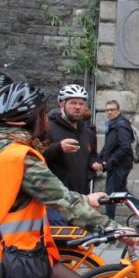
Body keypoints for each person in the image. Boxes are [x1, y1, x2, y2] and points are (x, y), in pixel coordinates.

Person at [0, 81, 138, 278]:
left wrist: (84, 198)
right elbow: (63, 202)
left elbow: (47, 195)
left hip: (25, 256)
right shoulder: (19, 156)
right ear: (34, 117)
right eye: (43, 113)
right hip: (10, 266)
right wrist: (115, 228)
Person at [43, 84, 102, 225]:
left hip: (81, 199)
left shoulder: (87, 131)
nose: (78, 107)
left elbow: (91, 155)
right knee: (60, 244)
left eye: (81, 103)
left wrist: (94, 163)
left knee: (81, 244)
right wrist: (58, 147)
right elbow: (36, 156)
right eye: (73, 103)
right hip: (56, 201)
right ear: (62, 104)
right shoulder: (48, 128)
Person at [98, 100, 134, 220]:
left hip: (120, 165)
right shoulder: (112, 124)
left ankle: (109, 220)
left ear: (118, 110)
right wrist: (100, 158)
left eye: (112, 110)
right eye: (107, 110)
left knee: (111, 193)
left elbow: (125, 146)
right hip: (117, 164)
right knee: (122, 191)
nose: (109, 112)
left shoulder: (121, 125)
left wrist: (110, 161)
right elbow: (108, 145)